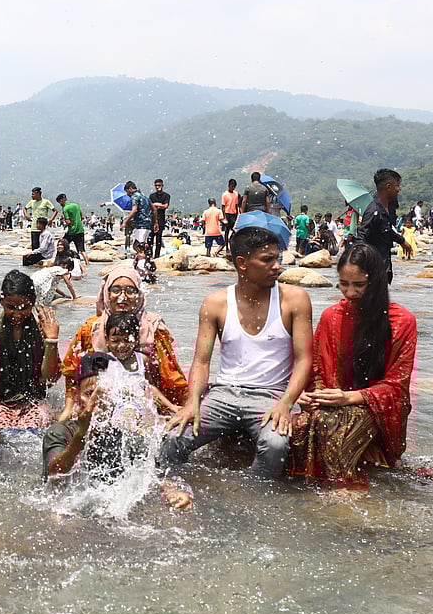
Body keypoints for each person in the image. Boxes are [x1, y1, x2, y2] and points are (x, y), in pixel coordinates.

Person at [159, 226, 313, 477]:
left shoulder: (294, 300)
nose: (277, 266)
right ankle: (171, 492)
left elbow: (305, 359)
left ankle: (255, 499)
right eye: (267, 260)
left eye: (278, 258)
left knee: (275, 446)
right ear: (242, 263)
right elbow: (201, 361)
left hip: (271, 394)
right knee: (173, 438)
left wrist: (286, 403)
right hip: (224, 394)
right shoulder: (216, 303)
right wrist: (191, 403)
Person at [287, 243, 417, 494]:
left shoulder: (402, 321)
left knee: (332, 429)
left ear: (377, 282)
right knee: (299, 430)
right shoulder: (331, 317)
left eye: (359, 285)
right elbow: (316, 372)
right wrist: (312, 396)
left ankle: (344, 497)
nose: (350, 292)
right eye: (343, 283)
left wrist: (349, 398)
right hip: (334, 400)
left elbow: (397, 386)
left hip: (375, 406)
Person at [44, 351, 192, 509]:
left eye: (106, 394)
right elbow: (55, 475)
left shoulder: (125, 435)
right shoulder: (60, 432)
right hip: (65, 503)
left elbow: (153, 472)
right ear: (75, 394)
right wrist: (81, 435)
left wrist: (172, 492)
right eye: (89, 394)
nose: (98, 402)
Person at [60, 262, 187, 415]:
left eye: (130, 290)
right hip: (96, 408)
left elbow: (171, 379)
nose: (122, 296)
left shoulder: (155, 330)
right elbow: (71, 373)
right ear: (107, 293)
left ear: (138, 294)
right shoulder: (90, 329)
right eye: (116, 290)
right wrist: (68, 410)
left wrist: (176, 410)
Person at [0, 270, 60, 429]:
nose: (17, 314)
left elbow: (50, 376)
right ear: (1, 301)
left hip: (33, 398)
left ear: (33, 302)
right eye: (11, 307)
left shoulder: (42, 327)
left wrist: (51, 340)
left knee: (33, 427)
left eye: (24, 307)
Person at [356, 168, 412, 283]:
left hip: (383, 268)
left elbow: (385, 230)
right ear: (388, 187)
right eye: (397, 185)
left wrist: (401, 241)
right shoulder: (374, 211)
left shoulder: (386, 209)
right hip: (374, 271)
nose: (398, 189)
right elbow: (361, 238)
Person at [55, 193, 90, 266]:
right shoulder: (75, 205)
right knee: (82, 250)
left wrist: (65, 223)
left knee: (61, 244)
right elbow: (82, 216)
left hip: (71, 232)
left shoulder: (65, 208)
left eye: (59, 203)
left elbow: (68, 221)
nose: (60, 204)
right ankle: (88, 264)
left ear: (62, 201)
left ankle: (58, 261)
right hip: (80, 231)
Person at [121, 181, 152, 251]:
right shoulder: (144, 196)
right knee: (140, 244)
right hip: (147, 223)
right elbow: (154, 209)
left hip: (141, 224)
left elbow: (134, 210)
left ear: (130, 189)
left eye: (127, 191)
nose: (127, 194)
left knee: (139, 246)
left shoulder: (134, 196)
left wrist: (125, 222)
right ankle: (146, 257)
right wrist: (155, 222)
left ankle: (145, 259)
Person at [26, 187, 54, 252]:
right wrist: (27, 215)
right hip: (34, 227)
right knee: (35, 247)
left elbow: (55, 211)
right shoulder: (32, 202)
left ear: (38, 194)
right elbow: (25, 208)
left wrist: (51, 220)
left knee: (43, 246)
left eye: (33, 194)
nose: (32, 196)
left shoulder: (45, 202)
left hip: (43, 228)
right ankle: (35, 261)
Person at [150, 179, 171, 259]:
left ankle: (157, 256)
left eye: (159, 185)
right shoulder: (152, 196)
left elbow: (166, 206)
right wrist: (158, 206)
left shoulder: (166, 195)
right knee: (150, 239)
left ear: (162, 185)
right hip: (152, 219)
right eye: (156, 185)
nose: (157, 187)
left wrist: (156, 205)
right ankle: (150, 255)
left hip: (161, 219)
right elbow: (150, 206)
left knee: (159, 239)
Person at [221, 178, 241, 245]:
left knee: (235, 230)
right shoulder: (225, 194)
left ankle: (232, 242)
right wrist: (225, 218)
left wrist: (238, 214)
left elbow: (236, 205)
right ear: (228, 185)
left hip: (234, 214)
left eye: (234, 186)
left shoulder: (236, 194)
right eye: (231, 186)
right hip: (227, 213)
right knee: (227, 231)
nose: (233, 188)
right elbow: (223, 207)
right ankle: (226, 246)